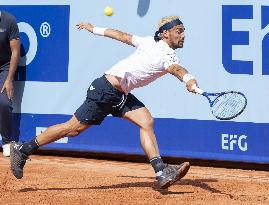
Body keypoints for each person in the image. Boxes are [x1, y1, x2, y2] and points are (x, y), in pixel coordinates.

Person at [10, 16, 200, 189]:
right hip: (105, 90)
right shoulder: (164, 53)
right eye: (179, 31)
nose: (183, 35)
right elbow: (176, 69)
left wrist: (94, 29)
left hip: (121, 94)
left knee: (146, 121)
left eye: (183, 31)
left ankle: (160, 172)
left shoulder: (150, 42)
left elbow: (122, 36)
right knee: (72, 129)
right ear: (165, 33)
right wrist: (189, 80)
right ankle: (23, 149)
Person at [0, 11, 20, 157]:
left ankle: (7, 142)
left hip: (4, 67)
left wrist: (9, 79)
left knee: (4, 102)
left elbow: (15, 51)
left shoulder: (9, 20)